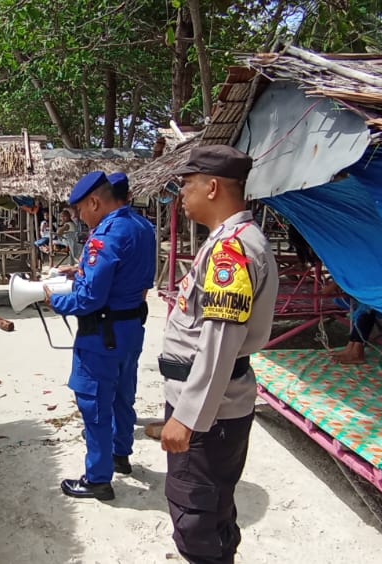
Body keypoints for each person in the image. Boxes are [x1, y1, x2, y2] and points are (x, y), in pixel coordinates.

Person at [157, 145, 278, 564]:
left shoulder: (232, 251)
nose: (183, 196)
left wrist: (187, 416)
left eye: (187, 186)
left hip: (210, 411)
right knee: (213, 511)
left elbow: (219, 343)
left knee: (197, 522)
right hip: (214, 403)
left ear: (212, 187)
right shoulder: (228, 241)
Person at [44, 170, 156, 501]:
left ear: (95, 201)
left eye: (80, 209)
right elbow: (130, 275)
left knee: (94, 404)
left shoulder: (104, 236)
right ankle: (121, 454)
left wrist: (54, 299)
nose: (78, 216)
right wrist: (80, 271)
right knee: (123, 395)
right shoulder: (142, 227)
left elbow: (89, 298)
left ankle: (97, 478)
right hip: (131, 329)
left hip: (102, 334)